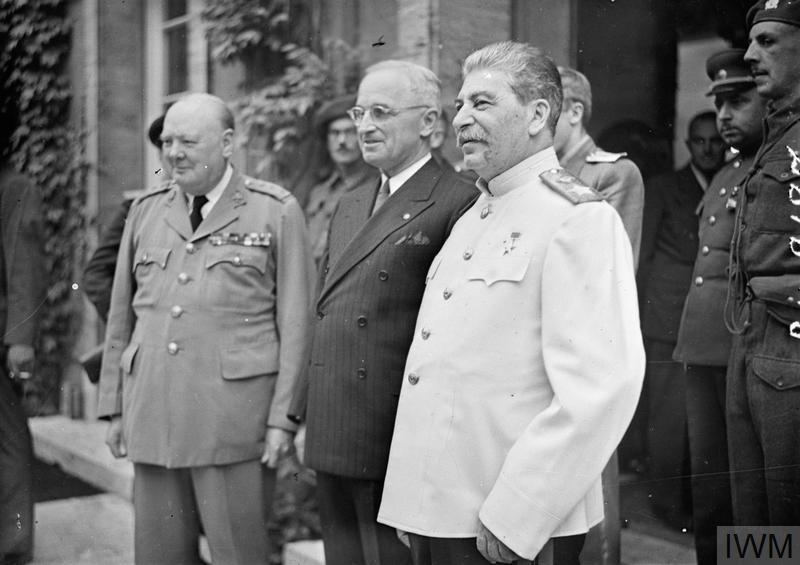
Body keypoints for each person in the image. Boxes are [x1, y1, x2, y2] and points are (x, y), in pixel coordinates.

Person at [378, 41, 644, 565]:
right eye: (459, 105)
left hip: (507, 525)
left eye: (482, 103)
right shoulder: (473, 216)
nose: (461, 119)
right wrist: (416, 498)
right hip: (442, 509)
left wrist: (520, 514)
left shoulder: (577, 218)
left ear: (538, 114)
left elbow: (600, 385)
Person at [97, 93, 314, 565]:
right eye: (169, 141)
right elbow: (122, 316)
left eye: (189, 141)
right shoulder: (145, 211)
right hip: (153, 410)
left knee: (239, 553)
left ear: (228, 143)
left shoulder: (274, 210)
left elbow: (296, 324)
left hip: (233, 420)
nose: (174, 152)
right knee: (158, 556)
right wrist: (114, 407)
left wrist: (283, 419)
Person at [289, 60, 476, 565]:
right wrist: (301, 412)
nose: (364, 125)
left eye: (381, 112)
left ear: (429, 123)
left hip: (391, 429)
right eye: (359, 111)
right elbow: (324, 311)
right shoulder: (351, 202)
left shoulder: (457, 200)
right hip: (333, 420)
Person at [673, 48, 766, 565]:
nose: (725, 116)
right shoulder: (730, 173)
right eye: (720, 103)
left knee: (751, 489)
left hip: (746, 348)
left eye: (738, 101)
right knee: (711, 483)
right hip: (704, 346)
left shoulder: (776, 170)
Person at [725, 0, 800, 526]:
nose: (751, 54)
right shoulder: (773, 137)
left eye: (768, 41)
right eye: (753, 41)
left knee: (788, 508)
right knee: (749, 508)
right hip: (751, 342)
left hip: (791, 347)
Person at [637, 110, 726, 530]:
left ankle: (698, 506)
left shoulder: (732, 185)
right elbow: (644, 257)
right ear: (688, 145)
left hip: (714, 319)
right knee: (669, 416)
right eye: (700, 141)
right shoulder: (663, 187)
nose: (709, 149)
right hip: (667, 318)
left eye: (715, 141)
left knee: (707, 418)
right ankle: (668, 505)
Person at [80, 115, 170, 383]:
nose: (176, 154)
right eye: (166, 146)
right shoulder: (137, 209)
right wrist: (133, 326)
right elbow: (96, 274)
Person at [0, 136, 47, 565]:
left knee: (8, 442)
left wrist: (20, 340)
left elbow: (25, 266)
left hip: (0, 341)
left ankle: (12, 549)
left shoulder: (15, 188)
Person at [555, 66, 645, 263]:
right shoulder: (538, 170)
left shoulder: (615, 173)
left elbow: (613, 267)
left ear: (575, 113)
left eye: (548, 113)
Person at [304, 94, 379, 266]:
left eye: (350, 132)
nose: (342, 141)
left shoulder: (379, 188)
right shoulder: (319, 191)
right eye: (335, 133)